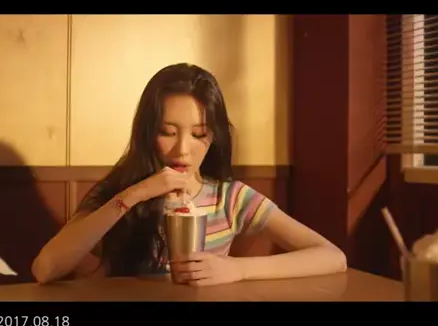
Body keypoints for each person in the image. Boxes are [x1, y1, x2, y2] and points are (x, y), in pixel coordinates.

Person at [31, 63, 347, 286]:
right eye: (168, 132)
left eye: (199, 134)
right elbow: (45, 269)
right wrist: (136, 194)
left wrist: (237, 269)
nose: (183, 150)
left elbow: (332, 257)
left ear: (215, 136)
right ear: (147, 133)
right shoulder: (121, 192)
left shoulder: (229, 198)